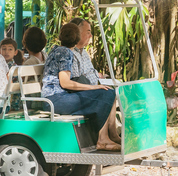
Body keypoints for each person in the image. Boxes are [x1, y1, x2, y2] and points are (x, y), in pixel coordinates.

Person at [41, 23, 121, 151]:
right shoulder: (65, 52)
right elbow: (65, 83)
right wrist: (95, 88)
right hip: (56, 99)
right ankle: (102, 140)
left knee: (107, 92)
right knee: (105, 93)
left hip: (57, 97)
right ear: (77, 38)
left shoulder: (57, 49)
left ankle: (110, 136)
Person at [69, 17, 101, 85]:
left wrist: (99, 76)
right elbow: (77, 81)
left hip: (93, 88)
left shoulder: (83, 52)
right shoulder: (69, 54)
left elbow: (90, 72)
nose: (90, 36)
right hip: (85, 92)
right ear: (77, 33)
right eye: (88, 32)